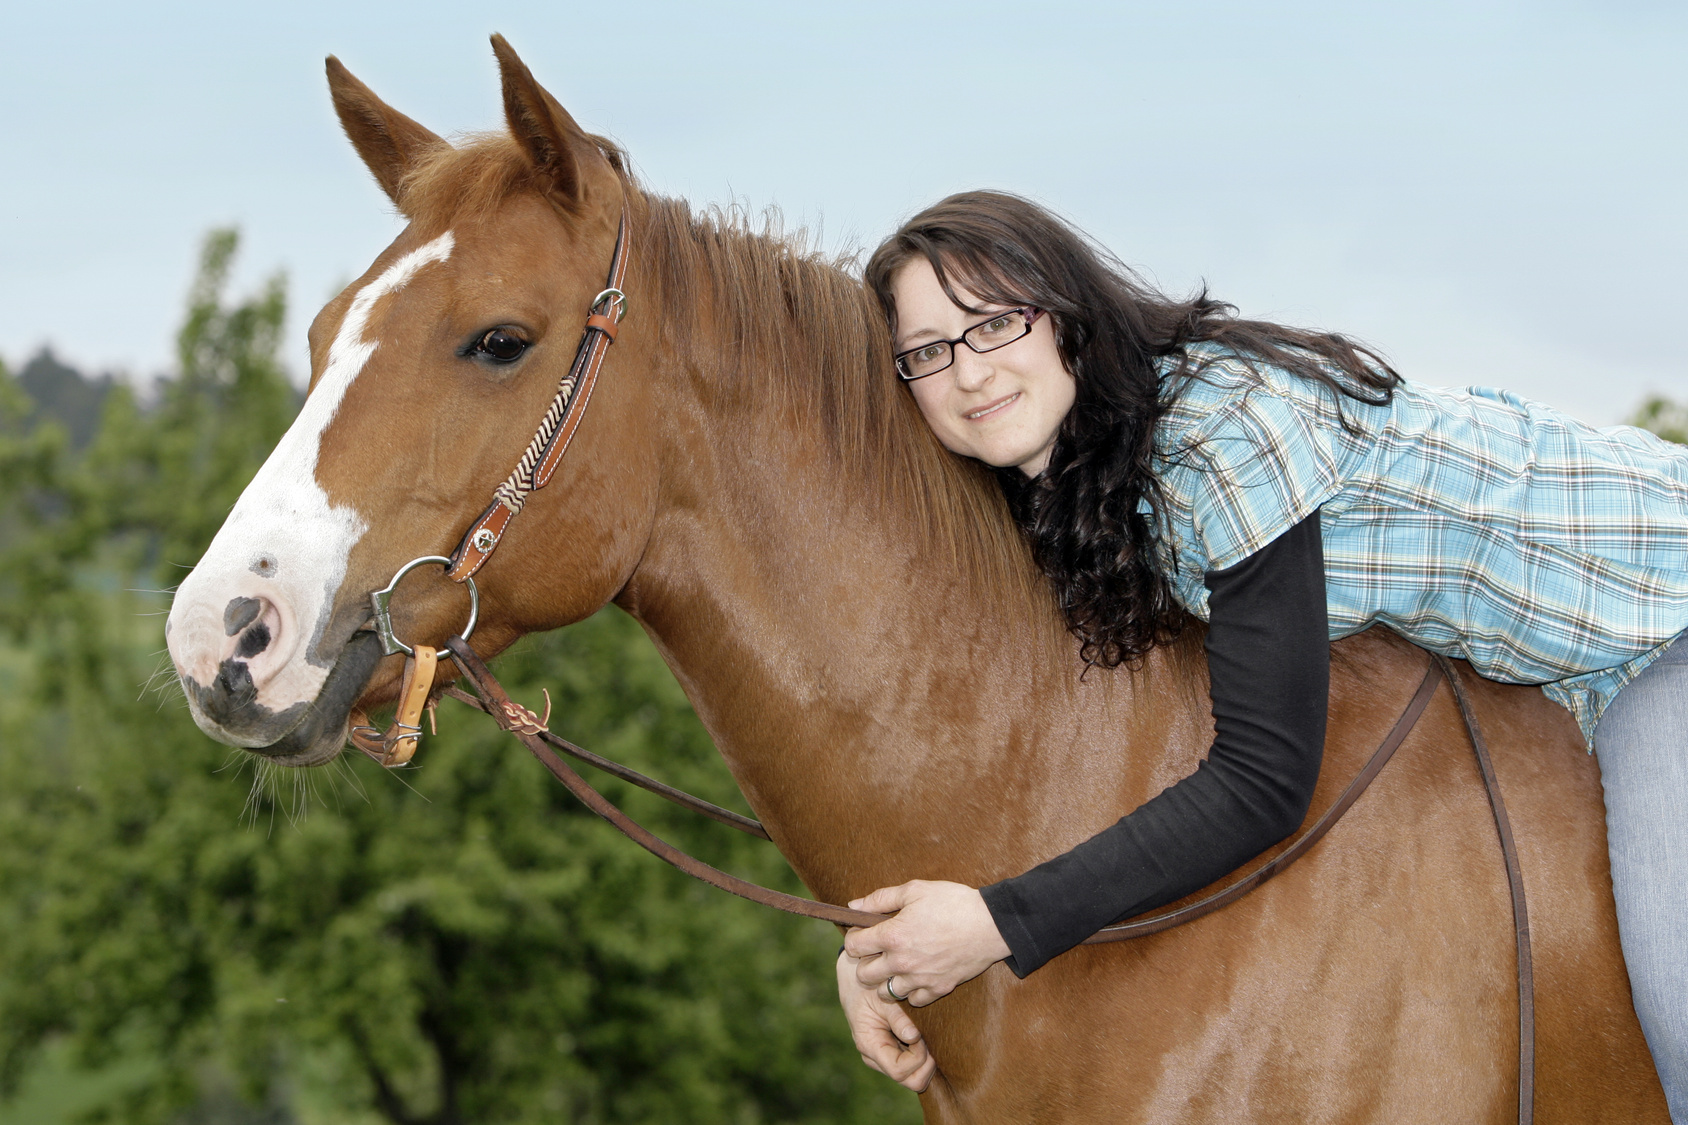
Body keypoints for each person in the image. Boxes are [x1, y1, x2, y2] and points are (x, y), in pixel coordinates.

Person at [835, 190, 1688, 1115]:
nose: (969, 372)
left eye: (996, 322)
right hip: (1551, 668)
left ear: (1063, 315)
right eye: (929, 351)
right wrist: (882, 953)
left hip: (1659, 609)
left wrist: (998, 925)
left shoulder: (1219, 431)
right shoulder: (1067, 476)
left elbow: (1265, 777)